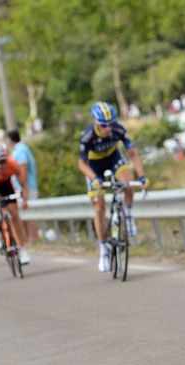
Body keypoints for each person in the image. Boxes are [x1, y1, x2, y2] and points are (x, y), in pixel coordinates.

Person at [78, 101, 149, 272]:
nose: (108, 129)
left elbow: (133, 153)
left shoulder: (118, 129)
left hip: (113, 159)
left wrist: (142, 176)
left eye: (111, 124)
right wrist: (94, 179)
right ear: (96, 123)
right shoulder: (87, 135)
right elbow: (81, 164)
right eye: (104, 125)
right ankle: (103, 249)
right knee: (99, 208)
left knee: (128, 184)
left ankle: (128, 216)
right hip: (94, 166)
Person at [8, 130, 39, 243]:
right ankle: (28, 239)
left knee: (30, 214)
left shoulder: (20, 150)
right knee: (25, 214)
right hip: (24, 187)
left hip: (26, 188)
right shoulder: (20, 149)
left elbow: (23, 171)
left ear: (10, 140)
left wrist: (24, 189)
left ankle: (33, 238)